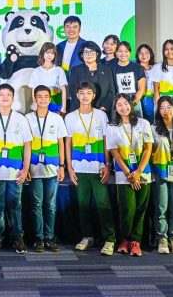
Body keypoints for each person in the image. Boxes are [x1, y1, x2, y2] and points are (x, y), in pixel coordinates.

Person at [65, 82, 116, 255]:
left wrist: (107, 165)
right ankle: (87, 236)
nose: (85, 96)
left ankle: (109, 239)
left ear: (94, 96)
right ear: (76, 95)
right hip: (79, 168)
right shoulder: (70, 117)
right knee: (83, 205)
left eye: (88, 93)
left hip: (98, 167)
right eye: (81, 93)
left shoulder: (101, 115)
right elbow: (68, 143)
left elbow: (106, 141)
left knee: (103, 203)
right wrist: (69, 167)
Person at [0, 84, 32, 255]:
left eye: (8, 95)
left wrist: (25, 169)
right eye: (1, 95)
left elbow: (27, 145)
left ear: (12, 98)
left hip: (16, 172)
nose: (5, 97)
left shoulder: (21, 119)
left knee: (15, 205)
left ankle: (18, 238)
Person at [107, 94, 154, 257]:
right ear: (115, 108)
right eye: (119, 105)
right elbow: (114, 153)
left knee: (141, 208)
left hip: (143, 173)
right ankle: (124, 239)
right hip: (123, 174)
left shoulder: (143, 123)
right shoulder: (112, 127)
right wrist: (129, 173)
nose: (123, 107)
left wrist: (138, 172)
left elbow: (148, 149)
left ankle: (136, 241)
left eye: (126, 103)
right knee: (127, 208)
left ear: (131, 105)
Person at [26, 85, 68, 252]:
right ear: (35, 99)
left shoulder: (57, 119)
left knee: (50, 204)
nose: (43, 99)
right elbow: (24, 145)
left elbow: (61, 143)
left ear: (50, 99)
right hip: (34, 168)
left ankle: (49, 237)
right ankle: (39, 238)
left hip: (53, 168)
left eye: (46, 96)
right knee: (36, 204)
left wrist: (62, 166)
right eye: (39, 96)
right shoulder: (28, 118)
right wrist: (25, 167)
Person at [150, 96, 173, 255]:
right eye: (162, 107)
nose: (166, 110)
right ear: (158, 111)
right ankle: (162, 238)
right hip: (160, 169)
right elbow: (151, 150)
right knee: (161, 206)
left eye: (169, 107)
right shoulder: (153, 128)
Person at [67, 41, 116, 114]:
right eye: (86, 52)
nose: (89, 54)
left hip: (102, 110)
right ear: (82, 55)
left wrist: (104, 107)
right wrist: (84, 107)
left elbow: (111, 92)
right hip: (81, 109)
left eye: (92, 52)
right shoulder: (75, 70)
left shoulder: (106, 70)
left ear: (97, 54)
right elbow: (73, 91)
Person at [28, 43, 68, 114]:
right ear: (42, 54)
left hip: (55, 102)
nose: (50, 55)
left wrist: (64, 106)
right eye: (47, 52)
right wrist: (35, 103)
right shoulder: (36, 71)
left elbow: (63, 89)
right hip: (41, 102)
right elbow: (33, 89)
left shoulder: (59, 70)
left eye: (52, 53)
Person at [111, 41, 146, 116]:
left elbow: (141, 89)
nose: (123, 54)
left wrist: (133, 103)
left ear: (130, 53)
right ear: (116, 53)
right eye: (120, 51)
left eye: (126, 51)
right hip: (118, 104)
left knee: (137, 122)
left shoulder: (138, 68)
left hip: (135, 103)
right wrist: (120, 104)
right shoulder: (111, 68)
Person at [136, 44, 157, 122]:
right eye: (141, 53)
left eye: (146, 52)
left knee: (153, 121)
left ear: (150, 54)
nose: (144, 55)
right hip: (139, 98)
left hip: (153, 98)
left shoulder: (156, 68)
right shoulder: (134, 68)